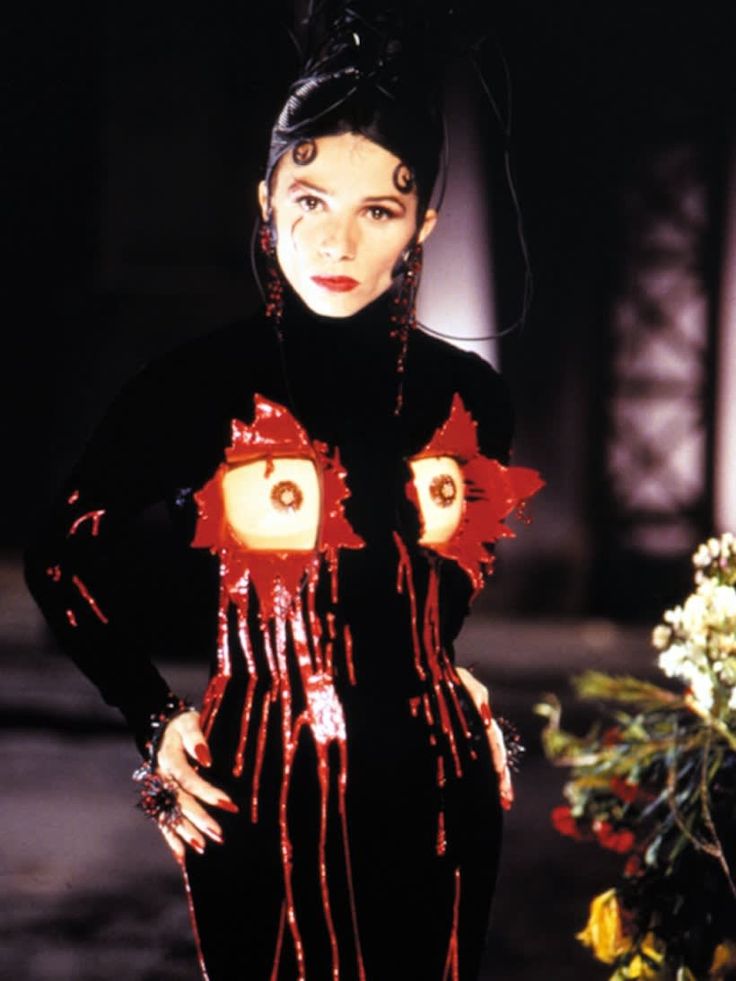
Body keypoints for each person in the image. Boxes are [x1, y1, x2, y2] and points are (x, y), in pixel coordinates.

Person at [25, 5, 542, 978]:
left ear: (422, 219)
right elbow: (60, 556)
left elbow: (433, 572)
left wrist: (440, 659)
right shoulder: (198, 385)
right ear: (266, 201)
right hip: (258, 787)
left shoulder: (472, 399)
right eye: (310, 199)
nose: (336, 240)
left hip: (444, 787)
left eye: (376, 210)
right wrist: (150, 715)